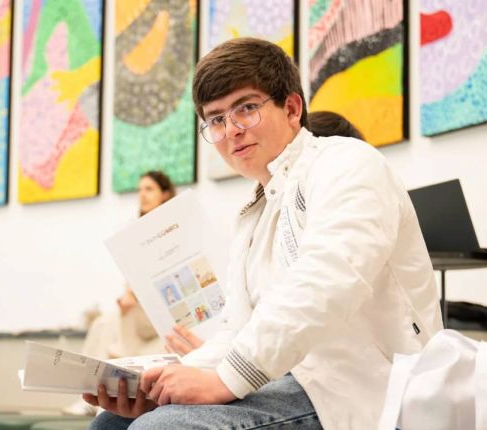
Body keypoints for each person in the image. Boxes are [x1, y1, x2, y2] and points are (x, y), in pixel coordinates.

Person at [84, 37, 442, 430]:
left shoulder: (347, 162)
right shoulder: (255, 213)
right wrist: (159, 387)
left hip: (362, 389)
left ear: (292, 108)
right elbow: (237, 331)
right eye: (216, 120)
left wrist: (224, 380)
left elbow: (326, 282)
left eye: (247, 108)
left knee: (160, 429)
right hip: (290, 382)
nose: (231, 130)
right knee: (111, 423)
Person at [161, 110, 365, 358]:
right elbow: (243, 329)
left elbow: (304, 313)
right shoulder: (255, 218)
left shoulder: (348, 191)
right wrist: (210, 360)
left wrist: (224, 365)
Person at [66, 171, 176, 415]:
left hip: (163, 308)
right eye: (140, 190)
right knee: (102, 323)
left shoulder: (172, 229)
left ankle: (112, 396)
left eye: (149, 189)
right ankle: (90, 394)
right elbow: (133, 276)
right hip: (140, 306)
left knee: (123, 316)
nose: (142, 195)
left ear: (165, 194)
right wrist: (129, 295)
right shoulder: (137, 232)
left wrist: (133, 297)